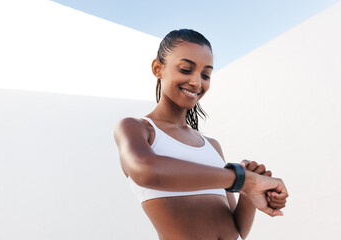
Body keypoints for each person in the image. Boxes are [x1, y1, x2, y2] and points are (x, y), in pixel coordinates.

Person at [114, 29, 288, 240]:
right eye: (186, 69)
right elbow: (145, 171)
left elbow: (237, 230)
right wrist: (245, 180)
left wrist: (249, 194)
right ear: (158, 68)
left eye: (205, 75)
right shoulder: (137, 128)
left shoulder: (212, 146)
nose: (197, 82)